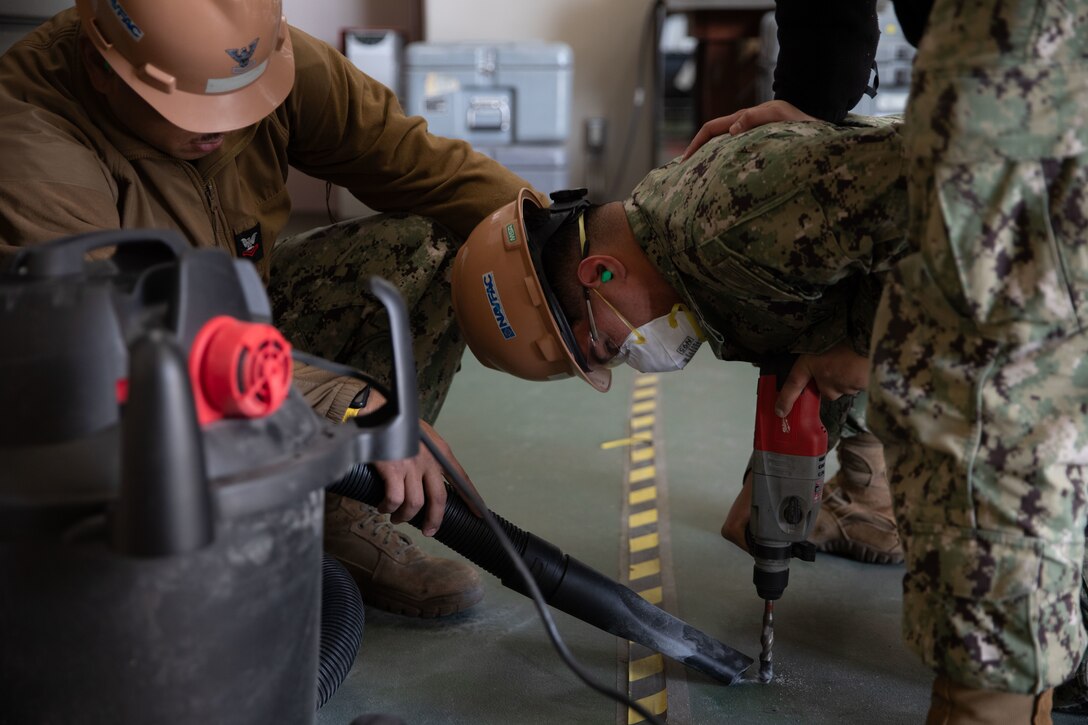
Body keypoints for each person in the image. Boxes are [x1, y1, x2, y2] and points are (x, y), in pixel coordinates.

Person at [0, 0, 544, 619]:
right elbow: (110, 337)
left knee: (427, 246)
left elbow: (419, 162)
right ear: (104, 68)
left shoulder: (254, 57)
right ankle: (227, 521)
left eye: (240, 100)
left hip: (244, 328)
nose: (224, 128)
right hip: (125, 386)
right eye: (194, 109)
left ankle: (339, 510)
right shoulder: (28, 140)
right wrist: (356, 402)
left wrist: (552, 248)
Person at [685, 0, 1088, 720]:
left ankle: (1024, 657)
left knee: (1006, 395)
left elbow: (1001, 305)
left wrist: (879, 355)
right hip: (1002, 57)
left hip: (1023, 39)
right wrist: (809, 98)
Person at [449, 103, 909, 569]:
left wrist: (866, 347)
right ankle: (872, 489)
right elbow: (810, 325)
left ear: (601, 272)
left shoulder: (729, 223)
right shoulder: (681, 259)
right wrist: (770, 477)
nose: (629, 356)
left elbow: (937, 192)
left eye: (607, 347)